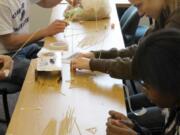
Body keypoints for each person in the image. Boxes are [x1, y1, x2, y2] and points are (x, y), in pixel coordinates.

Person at [106, 29, 180, 135]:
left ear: (170, 83)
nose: (143, 91)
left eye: (147, 86)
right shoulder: (173, 104)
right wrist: (135, 128)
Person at [0, 0, 72, 86]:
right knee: (47, 77)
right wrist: (46, 31)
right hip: (6, 56)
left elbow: (46, 2)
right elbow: (10, 44)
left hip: (23, 47)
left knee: (58, 58)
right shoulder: (2, 4)